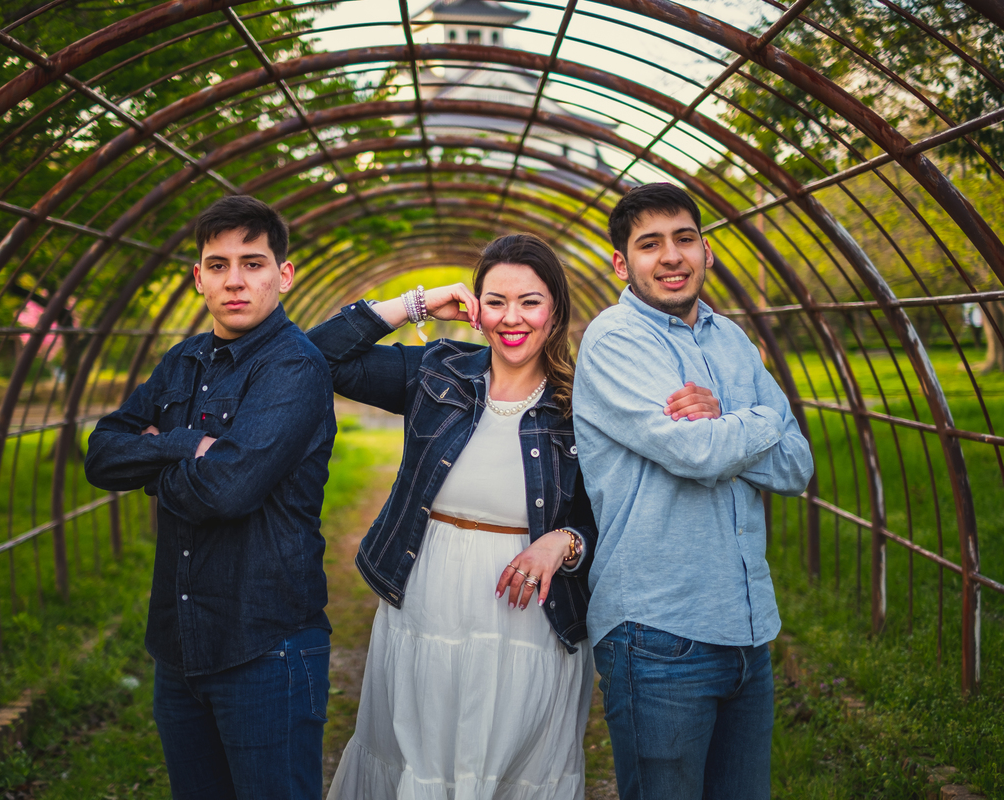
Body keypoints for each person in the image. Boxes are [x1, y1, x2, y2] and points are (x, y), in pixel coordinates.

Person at [310, 233, 713, 799]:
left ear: (555, 312)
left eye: (530, 301)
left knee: (510, 766)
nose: (511, 318)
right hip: (427, 595)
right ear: (476, 309)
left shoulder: (585, 402)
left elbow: (624, 510)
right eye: (496, 301)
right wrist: (415, 305)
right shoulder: (436, 371)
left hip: (528, 610)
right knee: (415, 754)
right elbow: (314, 358)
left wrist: (565, 542)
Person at [83, 195, 337, 800]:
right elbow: (100, 453)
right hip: (180, 643)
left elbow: (227, 489)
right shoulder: (183, 360)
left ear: (284, 274)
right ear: (198, 278)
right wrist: (188, 444)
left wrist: (155, 457)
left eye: (252, 263)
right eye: (218, 265)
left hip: (264, 644)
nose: (235, 281)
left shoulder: (294, 367)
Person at [573, 182, 815, 800]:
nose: (672, 256)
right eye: (650, 245)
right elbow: (696, 452)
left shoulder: (731, 340)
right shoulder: (615, 340)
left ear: (706, 250)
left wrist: (726, 417)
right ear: (622, 265)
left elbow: (796, 467)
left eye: (684, 238)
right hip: (658, 633)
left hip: (748, 629)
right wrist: (757, 419)